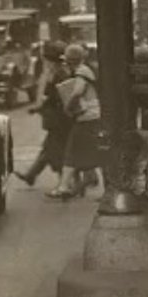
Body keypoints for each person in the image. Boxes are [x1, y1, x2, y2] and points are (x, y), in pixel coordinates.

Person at [48, 42, 101, 200]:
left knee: (72, 152)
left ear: (71, 60)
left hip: (87, 117)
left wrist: (69, 107)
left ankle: (64, 186)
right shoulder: (84, 69)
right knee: (85, 151)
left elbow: (77, 91)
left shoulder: (81, 72)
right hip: (92, 116)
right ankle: (82, 180)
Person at [15, 41, 72, 188]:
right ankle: (32, 175)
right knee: (50, 148)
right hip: (58, 119)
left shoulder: (60, 75)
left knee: (55, 151)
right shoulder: (59, 73)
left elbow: (56, 97)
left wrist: (41, 106)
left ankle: (65, 184)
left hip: (59, 119)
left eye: (47, 59)